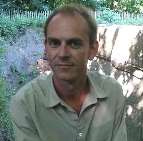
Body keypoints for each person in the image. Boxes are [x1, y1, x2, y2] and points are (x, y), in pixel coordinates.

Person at [10, 4, 127, 141]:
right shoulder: (25, 104)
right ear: (46, 48)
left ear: (93, 49)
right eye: (54, 43)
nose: (63, 53)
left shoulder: (112, 93)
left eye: (74, 43)